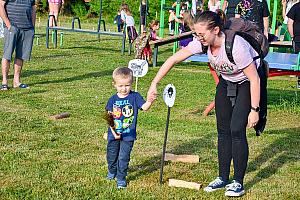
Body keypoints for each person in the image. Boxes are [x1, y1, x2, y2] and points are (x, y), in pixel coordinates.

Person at [147, 10, 262, 197]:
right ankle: (222, 177)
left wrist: (254, 110)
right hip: (226, 83)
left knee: (236, 130)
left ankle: (238, 182)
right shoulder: (202, 43)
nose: (198, 38)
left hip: (246, 85)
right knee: (223, 131)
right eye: (196, 34)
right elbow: (174, 58)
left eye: (201, 34)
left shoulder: (236, 46)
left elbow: (255, 79)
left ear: (216, 30)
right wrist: (154, 83)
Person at [105, 67, 153, 189]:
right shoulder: (112, 100)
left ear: (131, 83)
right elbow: (109, 118)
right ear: (114, 85)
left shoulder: (135, 97)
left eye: (127, 85)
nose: (124, 88)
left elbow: (144, 107)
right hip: (114, 134)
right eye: (120, 86)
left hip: (128, 135)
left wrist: (150, 100)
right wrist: (114, 132)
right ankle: (112, 171)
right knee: (111, 156)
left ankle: (121, 178)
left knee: (123, 157)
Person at [0, 0, 36, 90]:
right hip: (12, 28)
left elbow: (33, 8)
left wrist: (32, 27)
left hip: (27, 28)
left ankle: (16, 81)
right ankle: (4, 82)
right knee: (7, 55)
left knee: (21, 56)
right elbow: (0, 5)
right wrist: (8, 25)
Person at [287, 1, 300, 88]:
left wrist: (292, 36)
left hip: (298, 38)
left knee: (298, 61)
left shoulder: (295, 7)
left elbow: (289, 23)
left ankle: (299, 81)